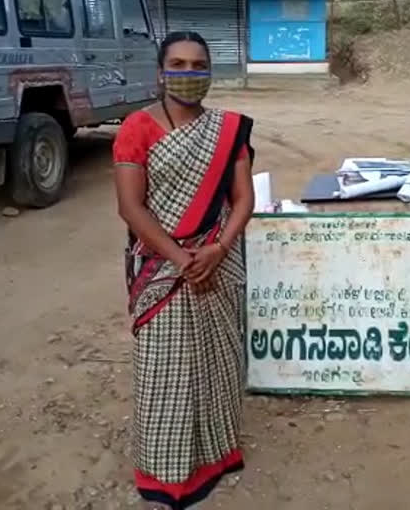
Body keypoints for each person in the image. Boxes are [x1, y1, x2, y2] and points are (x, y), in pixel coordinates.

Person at [113, 31, 254, 510]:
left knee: (217, 363)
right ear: (159, 71)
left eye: (198, 65)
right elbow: (131, 208)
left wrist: (218, 248)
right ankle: (167, 474)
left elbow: (243, 199)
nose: (188, 74)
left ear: (210, 73)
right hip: (163, 269)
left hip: (217, 261)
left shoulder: (228, 129)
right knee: (165, 371)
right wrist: (182, 259)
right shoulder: (137, 127)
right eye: (178, 64)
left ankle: (216, 455)